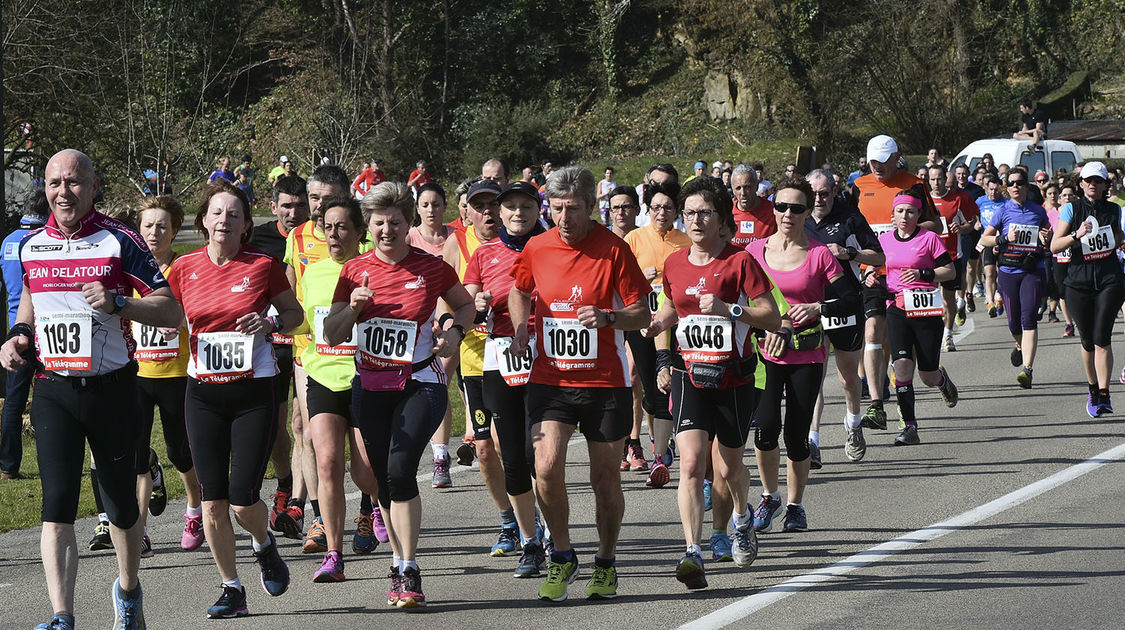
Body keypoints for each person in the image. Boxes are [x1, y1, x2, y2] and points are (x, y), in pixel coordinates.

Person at [0, 149, 183, 629]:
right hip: (54, 389)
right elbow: (29, 306)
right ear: (45, 187)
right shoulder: (29, 245)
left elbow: (169, 310)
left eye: (74, 182)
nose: (64, 192)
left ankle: (127, 591)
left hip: (113, 391)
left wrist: (121, 301)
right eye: (55, 183)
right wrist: (17, 337)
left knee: (122, 505)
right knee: (56, 502)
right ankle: (62, 616)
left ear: (94, 186)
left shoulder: (119, 240)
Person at [323, 181, 474, 608]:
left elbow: (465, 305)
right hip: (370, 388)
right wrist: (352, 308)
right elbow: (332, 334)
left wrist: (455, 332)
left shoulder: (431, 268)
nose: (386, 230)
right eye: (378, 223)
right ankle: (397, 560)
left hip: (420, 383)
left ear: (409, 223)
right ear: (367, 227)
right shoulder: (353, 271)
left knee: (401, 468)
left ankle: (409, 568)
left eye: (395, 222)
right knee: (381, 479)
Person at [508, 166, 652, 602]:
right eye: (556, 208)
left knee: (605, 478)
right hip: (550, 379)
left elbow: (642, 313)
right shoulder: (537, 246)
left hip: (604, 381)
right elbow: (518, 290)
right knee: (547, 469)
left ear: (592, 206)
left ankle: (606, 561)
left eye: (573, 208)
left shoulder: (613, 250)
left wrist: (609, 317)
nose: (564, 217)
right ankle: (564, 555)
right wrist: (519, 330)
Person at [166, 179, 302, 618]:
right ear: (203, 220)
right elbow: (166, 313)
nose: (225, 220)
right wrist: (167, 326)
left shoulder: (263, 266)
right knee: (211, 500)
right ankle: (232, 588)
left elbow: (295, 314)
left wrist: (270, 323)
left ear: (246, 226)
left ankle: (264, 545)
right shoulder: (183, 268)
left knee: (243, 499)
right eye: (217, 213)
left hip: (253, 392)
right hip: (203, 393)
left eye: (235, 215)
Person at [643, 175, 779, 589]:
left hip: (733, 378)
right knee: (689, 462)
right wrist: (655, 326)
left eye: (704, 213)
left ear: (722, 220)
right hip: (689, 375)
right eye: (689, 214)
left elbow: (771, 316)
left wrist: (728, 310)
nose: (696, 221)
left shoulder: (740, 262)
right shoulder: (675, 263)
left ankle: (741, 518)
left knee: (729, 464)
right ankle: (692, 551)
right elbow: (673, 308)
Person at [748, 179, 857, 534]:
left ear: (808, 212)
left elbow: (850, 298)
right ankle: (769, 496)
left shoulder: (819, 254)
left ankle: (795, 506)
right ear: (773, 209)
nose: (788, 214)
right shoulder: (754, 253)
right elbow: (738, 299)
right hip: (765, 354)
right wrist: (761, 328)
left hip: (805, 355)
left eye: (797, 208)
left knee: (796, 435)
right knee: (765, 430)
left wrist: (816, 306)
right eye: (781, 207)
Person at [463, 180, 549, 578]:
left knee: (541, 457)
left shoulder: (552, 246)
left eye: (526, 206)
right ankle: (531, 542)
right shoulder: (483, 254)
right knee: (511, 454)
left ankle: (553, 532)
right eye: (510, 206)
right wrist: (475, 302)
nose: (518, 213)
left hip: (547, 356)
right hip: (500, 356)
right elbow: (467, 299)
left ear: (537, 210)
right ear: (498, 212)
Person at [297, 196, 381, 581]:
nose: (333, 234)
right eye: (326, 227)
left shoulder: (373, 270)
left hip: (365, 376)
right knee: (327, 462)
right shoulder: (311, 273)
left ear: (359, 232)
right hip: (323, 375)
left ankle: (377, 505)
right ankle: (334, 553)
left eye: (341, 226)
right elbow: (304, 322)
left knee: (364, 471)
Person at [282, 165, 357, 554]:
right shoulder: (297, 236)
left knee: (361, 455)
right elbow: (292, 295)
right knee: (307, 432)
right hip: (310, 353)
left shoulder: (355, 234)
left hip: (356, 358)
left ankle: (370, 507)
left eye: (327, 198)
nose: (319, 206)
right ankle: (320, 518)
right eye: (314, 197)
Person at [130, 196, 204, 556]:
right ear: (138, 229)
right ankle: (140, 529)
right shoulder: (129, 267)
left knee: (180, 451)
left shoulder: (186, 268)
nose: (154, 232)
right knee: (137, 453)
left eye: (162, 226)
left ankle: (194, 510)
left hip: (178, 373)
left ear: (175, 230)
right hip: (139, 374)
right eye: (148, 225)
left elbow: (204, 312)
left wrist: (181, 324)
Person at [865, 188, 959, 446]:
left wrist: (923, 274)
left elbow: (949, 271)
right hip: (897, 309)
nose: (905, 216)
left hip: (926, 311)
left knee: (927, 376)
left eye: (911, 211)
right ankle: (909, 427)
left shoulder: (929, 239)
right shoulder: (884, 241)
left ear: (918, 214)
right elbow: (873, 268)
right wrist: (870, 276)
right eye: (900, 211)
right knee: (903, 366)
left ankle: (941, 380)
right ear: (892, 215)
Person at [853, 135, 933, 431]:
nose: (877, 166)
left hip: (907, 272)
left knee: (900, 343)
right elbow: (851, 226)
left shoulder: (914, 184)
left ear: (896, 156)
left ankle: (909, 395)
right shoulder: (860, 186)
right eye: (873, 160)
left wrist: (903, 227)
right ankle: (876, 404)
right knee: (872, 327)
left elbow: (935, 225)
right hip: (872, 271)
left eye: (883, 160)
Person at [803, 169, 883, 463]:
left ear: (835, 192)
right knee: (813, 376)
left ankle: (853, 424)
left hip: (844, 303)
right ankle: (812, 441)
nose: (820, 199)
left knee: (848, 378)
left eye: (825, 193)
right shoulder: (797, 218)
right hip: (809, 306)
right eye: (814, 194)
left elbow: (879, 256)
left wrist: (849, 253)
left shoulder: (850, 217)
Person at [250, 176, 308, 540]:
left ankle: (296, 503)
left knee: (302, 426)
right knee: (275, 427)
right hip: (269, 342)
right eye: (286, 206)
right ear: (273, 208)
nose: (293, 212)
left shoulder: (319, 236)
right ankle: (285, 480)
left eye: (299, 205)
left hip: (305, 340)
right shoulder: (257, 240)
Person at [625, 180, 691, 487]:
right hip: (642, 323)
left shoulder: (685, 240)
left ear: (676, 211)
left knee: (669, 384)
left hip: (676, 322)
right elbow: (621, 281)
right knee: (649, 386)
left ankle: (661, 456)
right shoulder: (634, 239)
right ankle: (660, 445)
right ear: (647, 210)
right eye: (655, 207)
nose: (661, 212)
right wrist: (642, 275)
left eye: (667, 207)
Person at [1049, 162, 1124, 416]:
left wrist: (1121, 241)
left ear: (1106, 185)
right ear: (1081, 183)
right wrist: (1077, 234)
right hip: (1078, 282)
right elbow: (1054, 246)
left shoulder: (1114, 209)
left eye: (1098, 180)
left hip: (1109, 279)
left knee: (1102, 337)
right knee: (1087, 340)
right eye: (1088, 180)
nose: (1093, 184)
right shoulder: (1071, 209)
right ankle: (1093, 388)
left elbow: (1117, 236)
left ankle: (1105, 394)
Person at [979, 167, 1050, 387]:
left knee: (1028, 318)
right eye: (1010, 183)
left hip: (1031, 270)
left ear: (1026, 186)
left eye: (1019, 182)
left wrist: (1046, 237)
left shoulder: (1038, 211)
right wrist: (1003, 238)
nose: (1015, 187)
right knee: (1013, 323)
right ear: (1006, 188)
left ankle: (1027, 369)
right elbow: (985, 238)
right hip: (1009, 271)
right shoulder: (1002, 211)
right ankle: (1020, 345)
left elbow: (1048, 236)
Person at [0, 189, 47, 479]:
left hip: (14, 332)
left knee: (13, 402)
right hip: (44, 331)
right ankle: (50, 461)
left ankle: (8, 466)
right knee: (46, 400)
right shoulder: (44, 240)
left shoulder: (6, 242)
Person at [927, 163, 980, 351]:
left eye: (939, 179)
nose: (936, 183)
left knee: (948, 299)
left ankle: (948, 335)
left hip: (950, 257)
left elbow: (970, 224)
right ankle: (932, 335)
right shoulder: (924, 202)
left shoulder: (958, 199)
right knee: (931, 301)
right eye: (932, 179)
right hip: (927, 258)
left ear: (946, 179)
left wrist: (961, 228)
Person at [975, 174, 1008, 318]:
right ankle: (990, 301)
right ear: (986, 189)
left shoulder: (1006, 203)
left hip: (1002, 240)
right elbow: (974, 213)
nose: (994, 192)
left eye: (996, 189)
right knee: (988, 272)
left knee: (1000, 272)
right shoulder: (980, 201)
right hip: (987, 240)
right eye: (991, 189)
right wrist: (976, 222)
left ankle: (999, 295)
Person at [1051, 183, 1078, 336]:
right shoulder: (1052, 214)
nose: (1067, 198)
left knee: (1077, 289)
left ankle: (1080, 319)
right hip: (1059, 256)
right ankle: (1069, 323)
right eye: (1064, 195)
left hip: (1076, 255)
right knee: (1062, 291)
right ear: (1059, 198)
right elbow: (1046, 232)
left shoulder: (1079, 212)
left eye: (1070, 195)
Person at [729, 164, 776, 249]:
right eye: (738, 188)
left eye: (747, 187)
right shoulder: (727, 212)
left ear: (757, 186)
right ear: (733, 190)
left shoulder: (773, 211)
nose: (743, 193)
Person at [407, 182, 453, 256]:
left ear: (444, 207)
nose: (431, 210)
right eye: (425, 206)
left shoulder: (456, 235)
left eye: (436, 205)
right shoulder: (409, 239)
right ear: (418, 209)